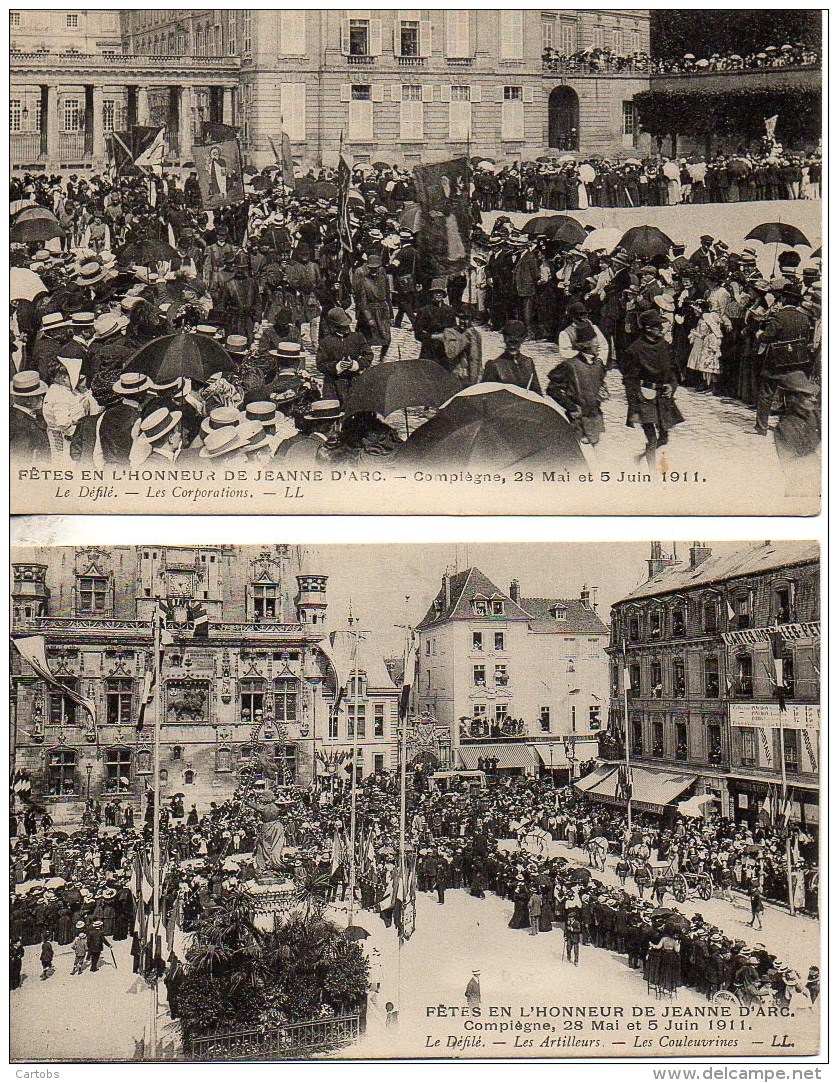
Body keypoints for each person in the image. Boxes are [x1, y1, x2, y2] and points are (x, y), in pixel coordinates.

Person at [622, 311, 684, 466]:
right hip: (645, 397)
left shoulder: (664, 345)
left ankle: (640, 457)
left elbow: (672, 370)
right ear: (648, 328)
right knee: (652, 438)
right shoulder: (635, 349)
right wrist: (633, 405)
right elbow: (630, 380)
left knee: (664, 438)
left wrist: (672, 386)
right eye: (657, 326)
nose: (661, 329)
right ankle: (652, 475)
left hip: (662, 396)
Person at [316, 308, 373, 405]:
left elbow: (368, 355)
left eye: (347, 325)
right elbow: (320, 364)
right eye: (342, 326)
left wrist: (355, 364)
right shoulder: (325, 342)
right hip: (332, 385)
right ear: (334, 326)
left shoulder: (357, 337)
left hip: (353, 382)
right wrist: (337, 366)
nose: (346, 328)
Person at [483, 320, 542, 393]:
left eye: (516, 342)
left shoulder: (528, 362)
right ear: (504, 339)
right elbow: (485, 396)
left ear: (522, 340)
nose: (512, 346)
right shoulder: (494, 366)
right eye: (510, 342)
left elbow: (537, 394)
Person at [10, 370, 51, 462]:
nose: (42, 398)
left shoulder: (13, 415)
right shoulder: (21, 425)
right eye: (39, 395)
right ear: (28, 400)